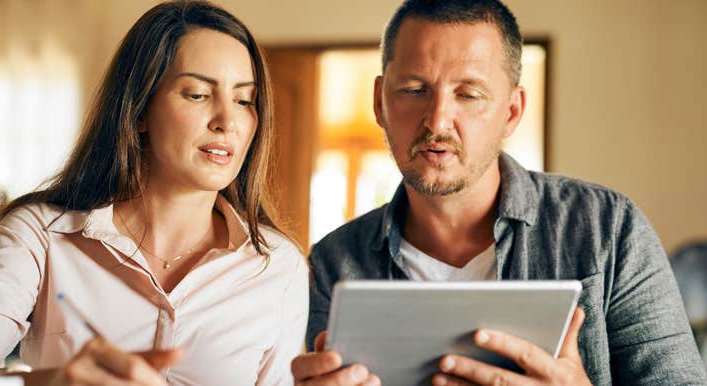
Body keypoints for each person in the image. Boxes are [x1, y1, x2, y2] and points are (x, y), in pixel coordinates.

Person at [291, 0, 707, 385]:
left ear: (511, 112)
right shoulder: (332, 262)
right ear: (380, 103)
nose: (437, 120)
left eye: (468, 94)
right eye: (415, 90)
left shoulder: (609, 228)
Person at [0, 1, 308, 385]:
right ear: (139, 110)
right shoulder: (40, 235)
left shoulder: (279, 267)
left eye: (245, 100)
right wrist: (48, 382)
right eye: (197, 94)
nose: (228, 121)